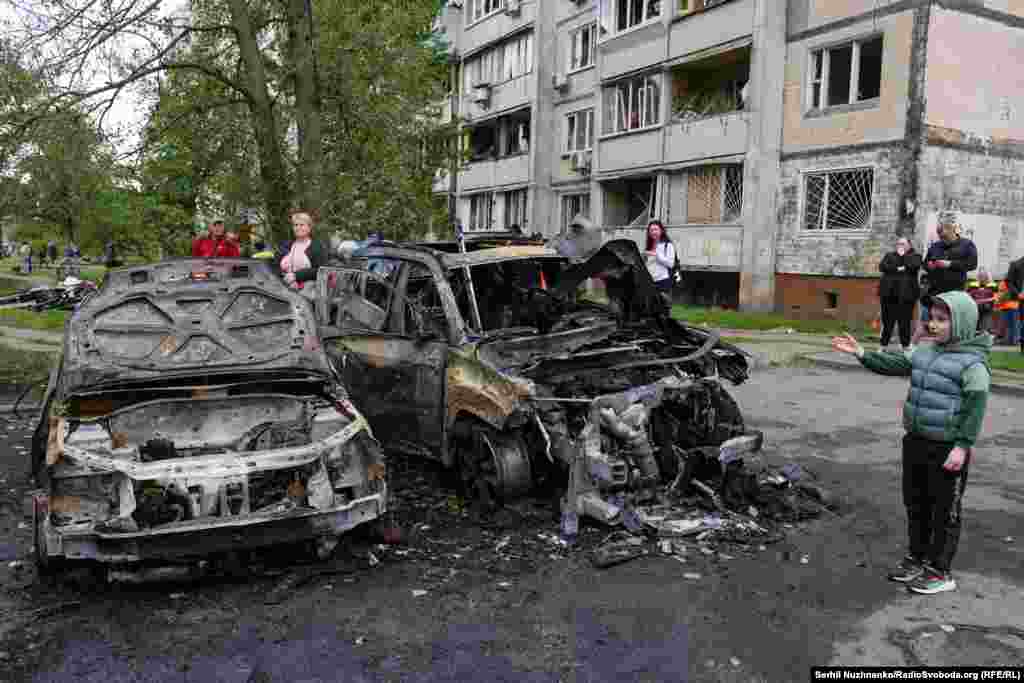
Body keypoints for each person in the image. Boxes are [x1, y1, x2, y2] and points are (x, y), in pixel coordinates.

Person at [831, 291, 991, 595]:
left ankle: (939, 570)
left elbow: (975, 409)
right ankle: (917, 558)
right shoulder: (924, 352)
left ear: (962, 324)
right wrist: (861, 353)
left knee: (945, 510)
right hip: (916, 441)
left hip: (948, 448)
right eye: (932, 318)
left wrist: (962, 446)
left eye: (943, 320)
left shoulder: (973, 365)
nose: (933, 324)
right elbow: (893, 362)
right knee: (916, 503)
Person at [921, 213, 978, 320]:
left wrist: (950, 264)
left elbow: (972, 264)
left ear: (952, 230)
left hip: (955, 294)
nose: (943, 239)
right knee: (927, 321)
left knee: (950, 324)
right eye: (941, 237)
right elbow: (925, 263)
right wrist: (929, 266)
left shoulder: (967, 245)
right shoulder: (935, 246)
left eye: (945, 237)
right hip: (934, 293)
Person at [878, 237, 922, 350]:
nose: (900, 246)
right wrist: (899, 268)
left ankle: (905, 346)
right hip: (888, 294)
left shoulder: (915, 256)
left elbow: (913, 266)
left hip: (907, 295)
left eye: (903, 244)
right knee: (887, 321)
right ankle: (883, 345)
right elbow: (882, 267)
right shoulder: (889, 255)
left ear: (909, 245)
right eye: (898, 243)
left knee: (905, 321)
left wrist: (902, 257)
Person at [280, 211, 328, 297]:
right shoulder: (286, 245)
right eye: (295, 225)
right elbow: (277, 266)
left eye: (302, 225)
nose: (298, 228)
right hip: (285, 289)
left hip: (309, 292)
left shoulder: (317, 246)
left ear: (309, 228)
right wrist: (288, 280)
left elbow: (321, 270)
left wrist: (296, 276)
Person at [644, 219, 676, 294]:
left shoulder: (668, 245)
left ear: (661, 230)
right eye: (651, 230)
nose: (653, 232)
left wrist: (656, 255)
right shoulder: (649, 246)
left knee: (662, 304)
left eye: (656, 229)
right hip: (650, 281)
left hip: (663, 281)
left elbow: (671, 264)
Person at [965, 269, 998, 334]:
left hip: (987, 308)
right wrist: (975, 301)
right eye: (980, 276)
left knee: (985, 326)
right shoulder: (973, 284)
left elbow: (996, 297)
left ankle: (984, 337)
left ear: (987, 276)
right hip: (974, 307)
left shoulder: (993, 285)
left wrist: (983, 300)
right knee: (973, 326)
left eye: (983, 276)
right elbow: (967, 295)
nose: (982, 277)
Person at [1005, 254, 1024, 346]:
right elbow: (1008, 282)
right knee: (1017, 322)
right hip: (1017, 300)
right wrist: (1018, 293)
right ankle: (1017, 341)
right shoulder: (1016, 265)